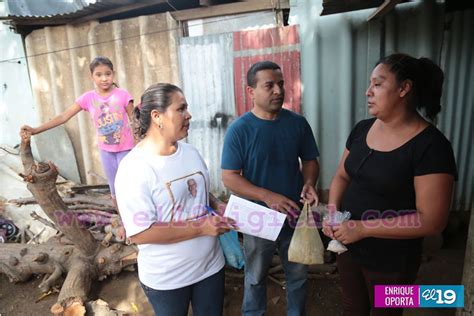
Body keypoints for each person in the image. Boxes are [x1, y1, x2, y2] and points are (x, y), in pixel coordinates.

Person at [322, 53, 457, 316]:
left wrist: (362, 228)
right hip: (348, 247)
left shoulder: (432, 147)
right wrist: (332, 211)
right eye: (370, 84)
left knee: (387, 313)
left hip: (393, 260)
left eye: (378, 84)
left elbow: (432, 221)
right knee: (353, 308)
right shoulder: (362, 129)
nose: (368, 91)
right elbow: (342, 175)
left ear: (404, 88)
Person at [115, 83, 235, 316]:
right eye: (181, 109)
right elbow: (140, 232)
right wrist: (200, 228)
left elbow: (198, 193)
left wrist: (218, 205)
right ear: (157, 116)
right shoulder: (135, 168)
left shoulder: (190, 152)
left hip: (210, 266)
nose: (188, 115)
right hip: (168, 278)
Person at [221, 61, 320, 316]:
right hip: (258, 217)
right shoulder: (239, 130)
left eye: (281, 84)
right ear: (251, 91)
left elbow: (310, 161)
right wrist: (267, 196)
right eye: (269, 85)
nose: (278, 90)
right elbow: (230, 178)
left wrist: (309, 183)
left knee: (298, 274)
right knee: (255, 275)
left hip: (295, 214)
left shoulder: (297, 123)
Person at [20, 56, 134, 239]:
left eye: (108, 74)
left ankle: (139, 223)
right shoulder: (88, 98)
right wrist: (36, 130)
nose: (104, 78)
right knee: (115, 193)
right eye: (99, 75)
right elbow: (63, 117)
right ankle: (127, 225)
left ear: (113, 74)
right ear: (92, 77)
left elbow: (135, 121)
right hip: (107, 152)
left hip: (127, 149)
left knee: (130, 188)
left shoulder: (123, 95)